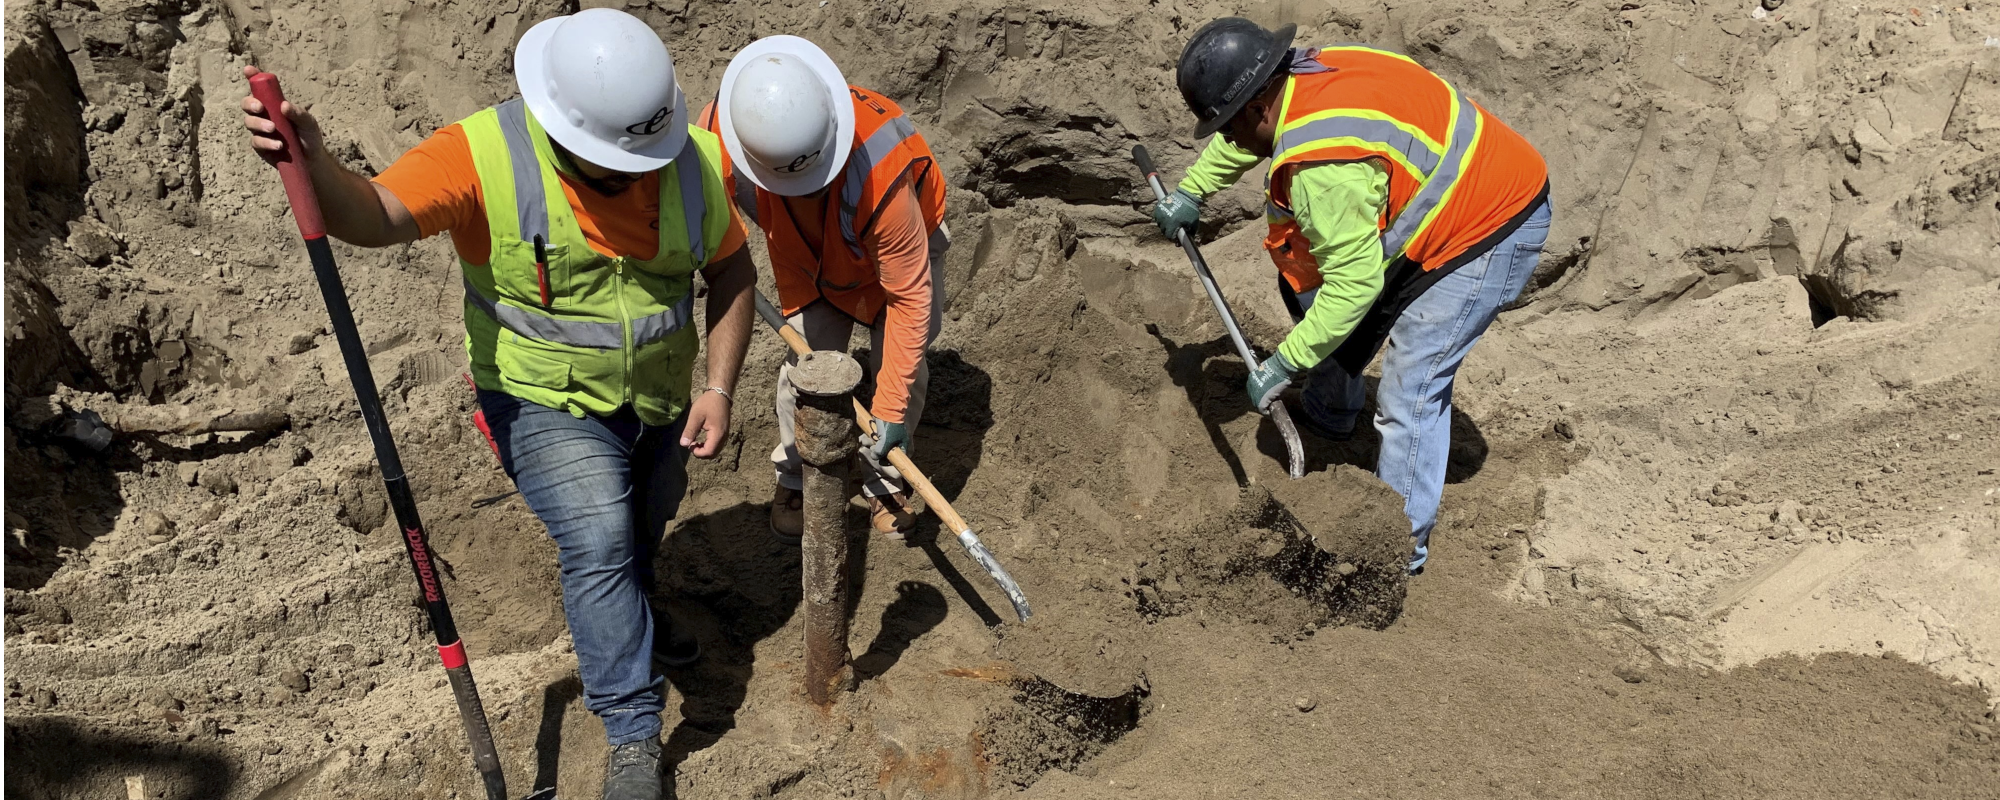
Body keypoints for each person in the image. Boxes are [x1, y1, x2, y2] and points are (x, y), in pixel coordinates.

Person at [240, 9, 753, 799]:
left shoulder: (692, 161)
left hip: (658, 397)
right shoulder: (482, 155)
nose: (638, 173)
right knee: (600, 536)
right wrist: (315, 165)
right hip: (537, 396)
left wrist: (718, 386)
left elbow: (731, 274)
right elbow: (374, 216)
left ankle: (637, 615)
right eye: (616, 163)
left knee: (644, 523)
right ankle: (632, 736)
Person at [1152, 18, 1552, 574]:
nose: (1229, 140)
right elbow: (1251, 139)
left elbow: (1354, 286)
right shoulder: (1302, 74)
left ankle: (1392, 558)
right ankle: (1331, 410)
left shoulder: (1324, 170)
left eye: (1228, 124)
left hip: (1491, 224)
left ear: (1254, 107)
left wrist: (1284, 363)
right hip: (1448, 189)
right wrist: (1193, 190)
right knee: (1303, 269)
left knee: (1410, 389)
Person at [698, 35, 949, 540]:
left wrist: (890, 408)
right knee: (804, 368)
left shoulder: (880, 170)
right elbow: (693, 193)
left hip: (899, 253)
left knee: (903, 365)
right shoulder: (733, 126)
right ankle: (796, 474)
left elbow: (908, 299)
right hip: (807, 255)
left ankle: (887, 478)